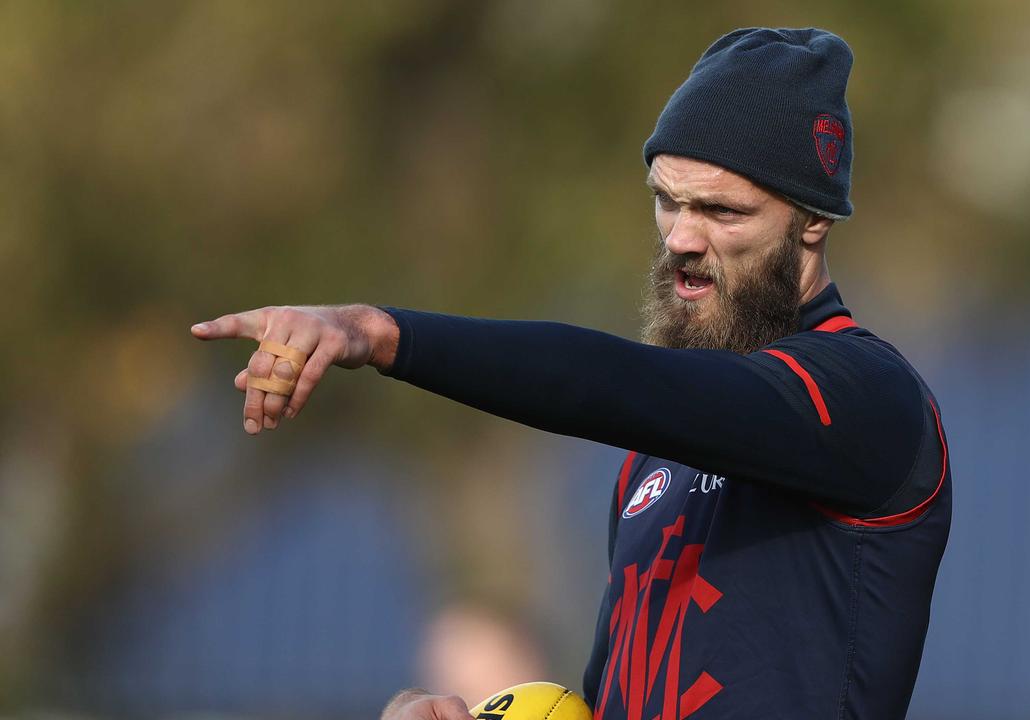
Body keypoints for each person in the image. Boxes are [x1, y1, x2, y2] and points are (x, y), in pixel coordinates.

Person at [192, 27, 950, 720]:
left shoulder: (867, 399)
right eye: (666, 200)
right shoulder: (651, 464)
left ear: (812, 219)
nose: (682, 237)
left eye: (721, 211)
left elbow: (621, 385)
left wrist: (381, 333)